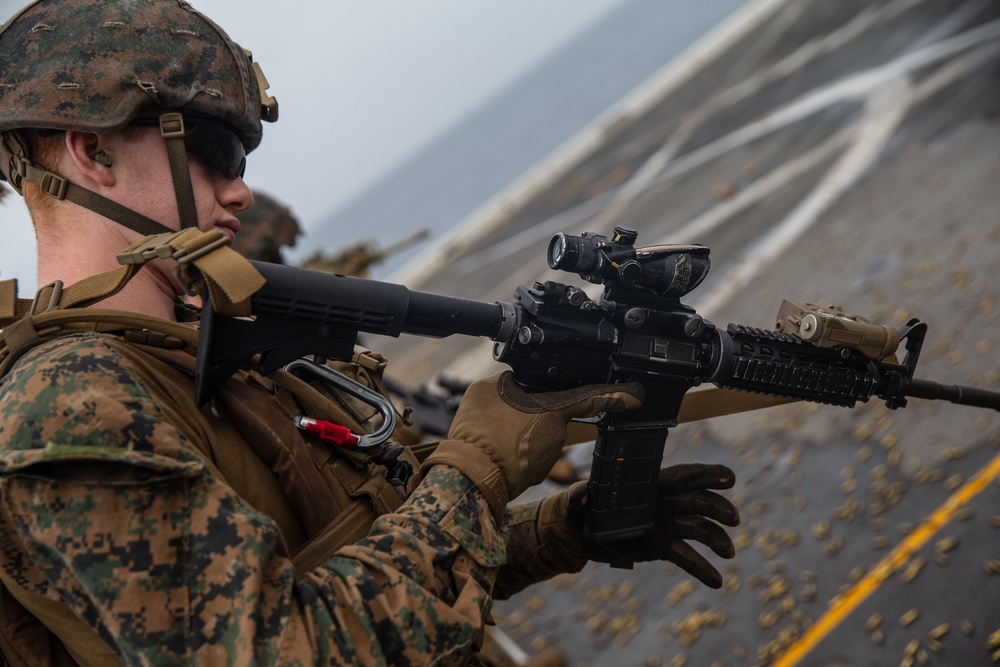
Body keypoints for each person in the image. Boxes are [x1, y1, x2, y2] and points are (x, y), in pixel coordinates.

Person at [0, 2, 740, 666]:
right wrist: (476, 467)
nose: (241, 189)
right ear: (93, 152)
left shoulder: (200, 345)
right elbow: (290, 648)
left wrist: (560, 529)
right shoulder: (67, 406)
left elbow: (374, 565)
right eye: (214, 149)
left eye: (242, 160)